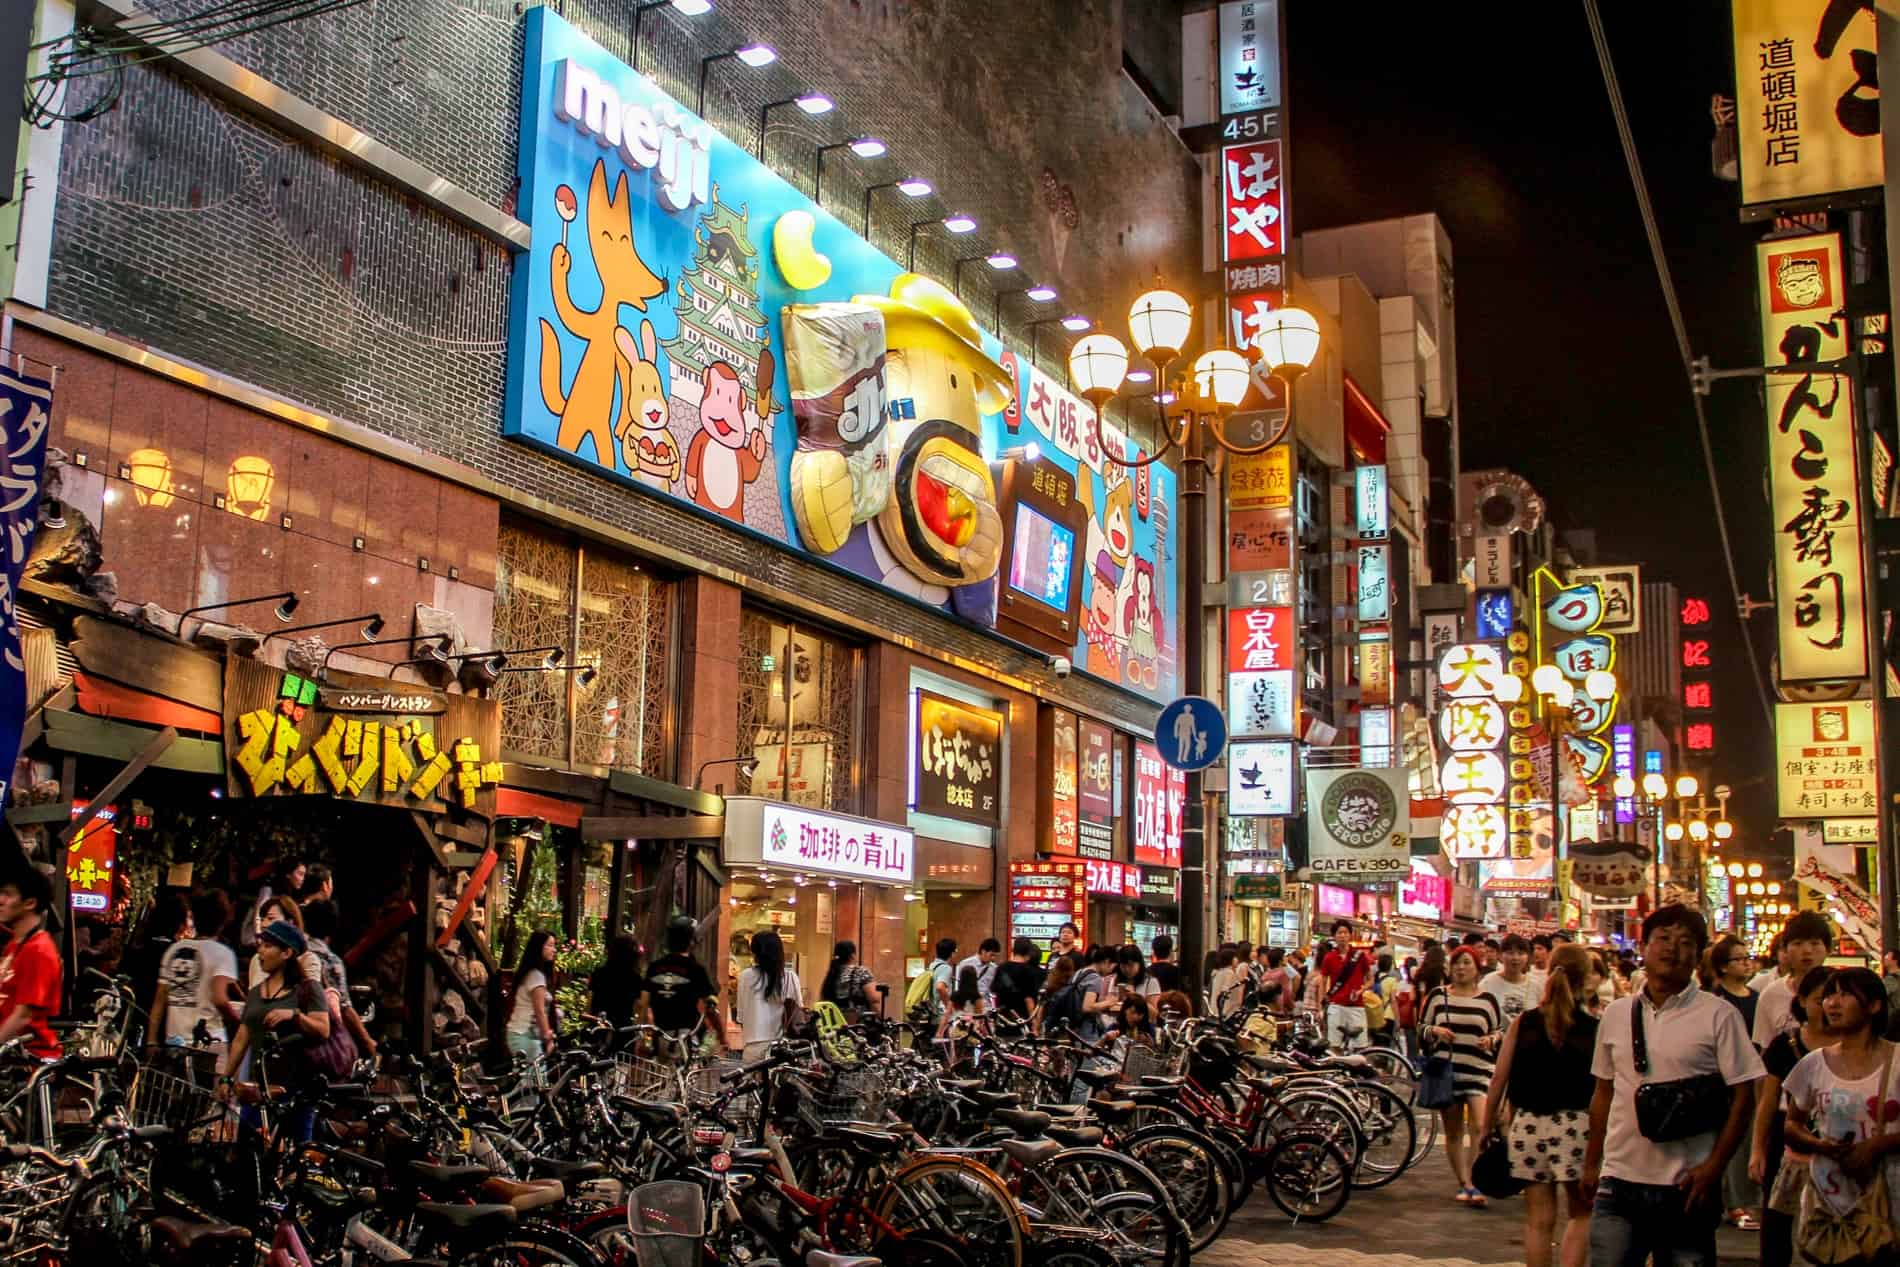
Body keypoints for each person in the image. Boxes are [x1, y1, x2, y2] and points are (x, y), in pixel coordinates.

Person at [1582, 904, 1763, 1267]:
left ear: (1698, 955)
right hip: (1619, 1180)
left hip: (1686, 1186)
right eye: (1662, 939)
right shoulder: (1617, 1014)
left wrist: (1714, 1168)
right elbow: (1603, 1092)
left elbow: (1745, 1096)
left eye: (1684, 942)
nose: (1672, 949)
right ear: (1645, 947)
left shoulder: (1718, 1015)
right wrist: (1591, 1163)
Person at [1481, 945, 1599, 1267]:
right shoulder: (1594, 1029)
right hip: (1576, 1128)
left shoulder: (1525, 1023)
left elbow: (1498, 1080)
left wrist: (1486, 1125)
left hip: (1528, 1125)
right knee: (1581, 1213)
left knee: (1537, 1220)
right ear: (1586, 978)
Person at [1780, 968, 1900, 1254]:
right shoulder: (1813, 1064)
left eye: (1845, 994)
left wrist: (1877, 1145)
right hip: (1831, 1206)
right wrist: (1820, 1145)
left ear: (1874, 1005)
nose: (1832, 1003)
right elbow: (1791, 1125)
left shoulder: (1897, 1061)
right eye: (1829, 995)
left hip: (1891, 1199)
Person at [1749, 966, 1836, 1267]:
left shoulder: (1852, 1044)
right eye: (1820, 999)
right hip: (1786, 1135)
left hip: (1837, 1136)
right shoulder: (1784, 1046)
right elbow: (1768, 1101)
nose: (1829, 1006)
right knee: (1776, 1217)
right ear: (1801, 1001)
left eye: (1836, 998)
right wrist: (1757, 1149)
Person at [218, 920, 331, 1140]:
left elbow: (323, 1029)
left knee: (298, 1153)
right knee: (249, 1151)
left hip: (296, 1090)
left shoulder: (308, 989)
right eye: (260, 946)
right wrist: (226, 1078)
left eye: (267, 946)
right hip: (259, 1090)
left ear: (287, 952)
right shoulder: (256, 993)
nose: (260, 952)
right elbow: (243, 1037)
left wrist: (295, 1016)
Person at [1421, 945, 1504, 1205]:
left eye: (1467, 963)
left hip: (1479, 1070)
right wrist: (1436, 1031)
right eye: (1457, 963)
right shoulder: (1438, 996)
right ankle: (1465, 1183)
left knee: (1481, 1126)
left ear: (1477, 968)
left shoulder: (1487, 1000)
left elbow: (1498, 1030)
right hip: (1448, 1071)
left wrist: (1490, 1039)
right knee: (1454, 1131)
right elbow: (1421, 1027)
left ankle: (1475, 1179)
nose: (1461, 968)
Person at [150, 889, 241, 1061]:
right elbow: (220, 999)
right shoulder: (223, 953)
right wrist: (238, 1022)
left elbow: (160, 999)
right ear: (223, 921)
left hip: (174, 1042)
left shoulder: (175, 949)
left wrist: (151, 1041)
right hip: (209, 1043)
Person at [300, 898, 376, 1065]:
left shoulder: (294, 951)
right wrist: (367, 1042)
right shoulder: (329, 960)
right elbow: (344, 1007)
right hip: (319, 1039)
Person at [0, 869, 61, 1061]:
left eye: (8, 894)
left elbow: (23, 1016)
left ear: (30, 903)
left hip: (27, 1060)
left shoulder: (39, 950)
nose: (1, 900)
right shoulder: (14, 945)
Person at [1755, 913, 1833, 1049]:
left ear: (1828, 949)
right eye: (1797, 943)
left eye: (1815, 943)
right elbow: (1764, 1047)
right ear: (1785, 950)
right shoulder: (1770, 995)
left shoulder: (1842, 990)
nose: (1807, 950)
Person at [646, 917, 718, 1040]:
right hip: (686, 1038)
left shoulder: (654, 967)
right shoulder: (695, 969)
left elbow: (643, 1004)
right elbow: (710, 1007)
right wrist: (722, 1037)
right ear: (691, 941)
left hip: (659, 1036)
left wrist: (644, 1037)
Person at [735, 929, 800, 1060]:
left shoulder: (745, 976)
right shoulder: (789, 977)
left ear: (754, 952)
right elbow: (797, 1015)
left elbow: (741, 1018)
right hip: (780, 1049)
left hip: (752, 1048)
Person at [245, 894, 323, 990]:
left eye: (270, 918)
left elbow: (310, 997)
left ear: (290, 922)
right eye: (262, 919)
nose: (263, 924)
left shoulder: (308, 960)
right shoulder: (256, 959)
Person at [1318, 923, 1374, 1050]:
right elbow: (1322, 980)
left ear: (1350, 935)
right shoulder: (1329, 957)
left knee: (1361, 1045)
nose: (1342, 936)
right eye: (1339, 933)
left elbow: (1370, 980)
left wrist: (1361, 990)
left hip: (1357, 1006)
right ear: (1334, 936)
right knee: (1334, 1045)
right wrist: (1320, 1005)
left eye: (1345, 933)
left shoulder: (1360, 956)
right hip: (1336, 1006)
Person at [505, 930, 558, 1061]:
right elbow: (539, 1010)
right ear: (538, 947)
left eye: (554, 945)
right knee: (535, 1080)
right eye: (550, 945)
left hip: (522, 1035)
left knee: (531, 1079)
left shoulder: (532, 974)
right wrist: (548, 1038)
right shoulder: (536, 976)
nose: (554, 950)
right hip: (524, 1036)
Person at [589, 934, 647, 1030]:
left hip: (598, 1025)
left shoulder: (599, 973)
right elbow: (639, 1006)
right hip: (623, 1029)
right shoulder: (635, 978)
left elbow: (589, 1001)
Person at [1482, 934, 1541, 1026]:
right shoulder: (1488, 982)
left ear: (1527, 957)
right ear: (1501, 956)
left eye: (1520, 953)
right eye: (1510, 953)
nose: (1515, 958)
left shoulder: (1536, 985)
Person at [818, 940, 876, 1019]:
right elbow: (874, 1000)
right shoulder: (861, 972)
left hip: (836, 1025)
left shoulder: (831, 975)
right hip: (858, 1026)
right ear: (852, 956)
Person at [992, 938, 1044, 1021]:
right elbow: (1028, 999)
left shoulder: (1001, 968)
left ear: (1013, 950)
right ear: (1028, 953)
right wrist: (1033, 1021)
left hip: (1002, 1019)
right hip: (1021, 1020)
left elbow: (994, 992)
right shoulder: (1027, 971)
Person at [956, 938, 1002, 1005]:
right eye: (991, 955)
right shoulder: (965, 964)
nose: (993, 958)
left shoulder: (994, 968)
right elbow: (960, 985)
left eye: (995, 956)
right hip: (968, 1004)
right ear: (983, 951)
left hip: (985, 1005)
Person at [1209, 946, 1245, 1020]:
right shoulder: (1229, 973)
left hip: (1216, 1010)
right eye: (1235, 957)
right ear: (1230, 959)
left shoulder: (1219, 972)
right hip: (1227, 1012)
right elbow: (1226, 991)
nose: (1237, 960)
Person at [1884, 950, 1900, 1041]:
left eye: (1886, 958)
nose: (1884, 959)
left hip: (1892, 1023)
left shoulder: (1891, 979)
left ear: (1895, 961)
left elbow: (1879, 994)